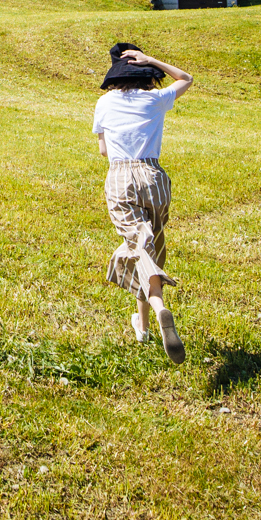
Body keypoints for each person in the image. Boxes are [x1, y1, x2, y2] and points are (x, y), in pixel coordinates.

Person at [92, 41, 192, 360]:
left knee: (137, 247)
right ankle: (144, 326)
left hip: (121, 177)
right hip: (154, 177)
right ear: (144, 72)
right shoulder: (155, 99)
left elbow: (104, 152)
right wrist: (152, 59)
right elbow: (186, 78)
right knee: (149, 248)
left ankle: (159, 305)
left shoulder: (104, 103)